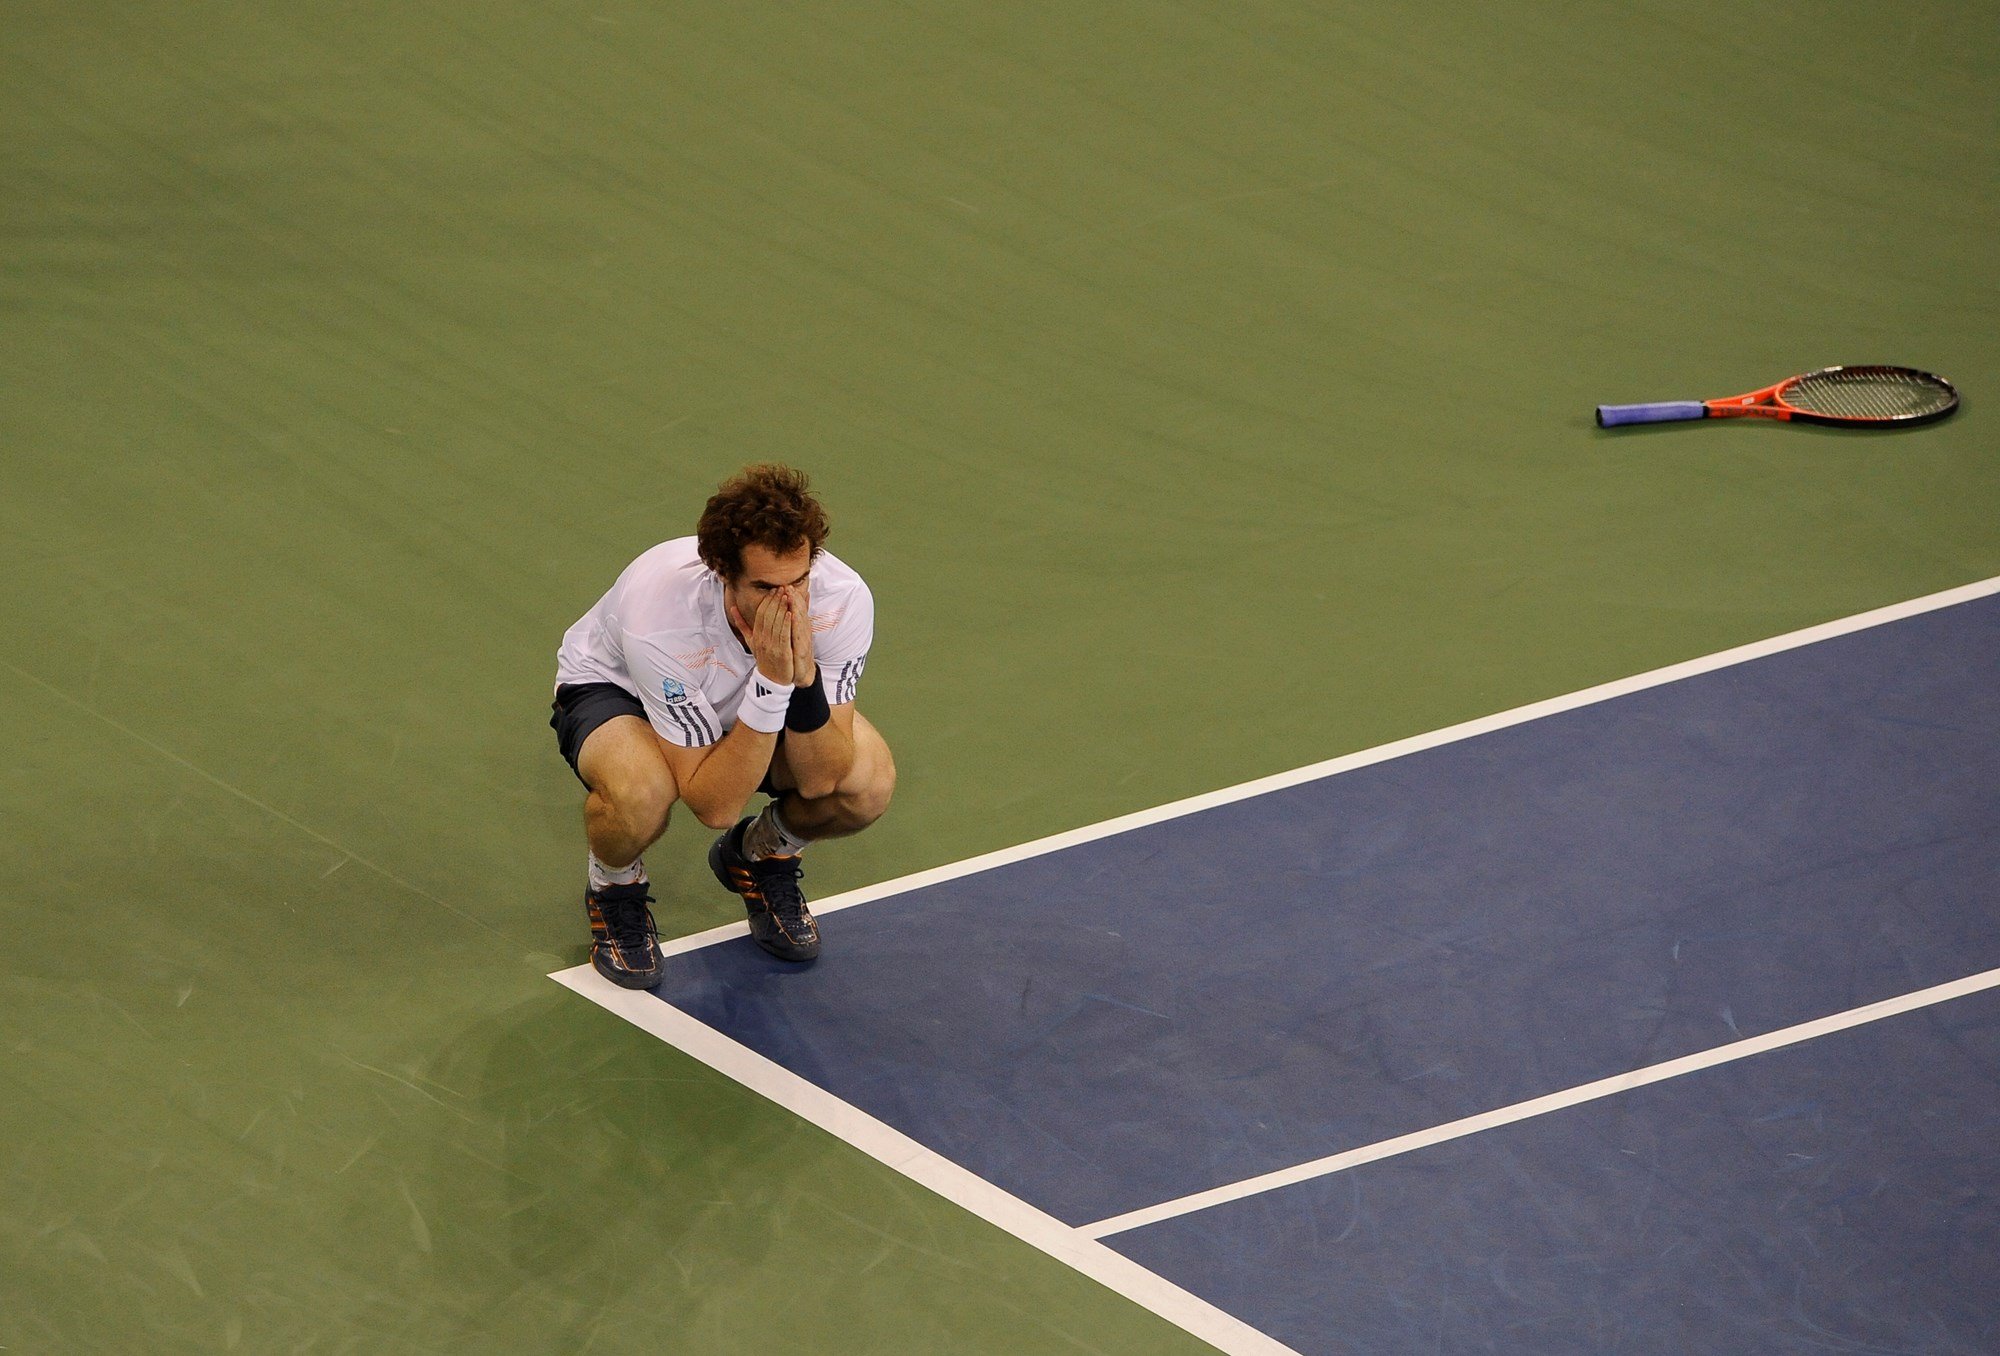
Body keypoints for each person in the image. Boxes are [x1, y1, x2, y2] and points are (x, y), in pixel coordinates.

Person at [548, 464, 895, 987]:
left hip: (753, 689)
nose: (789, 602)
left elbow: (821, 778)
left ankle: (760, 855)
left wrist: (800, 685)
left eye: (799, 581)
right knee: (642, 794)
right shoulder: (661, 616)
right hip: (624, 691)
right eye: (764, 586)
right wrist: (775, 683)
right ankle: (615, 884)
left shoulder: (842, 599)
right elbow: (712, 804)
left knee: (865, 786)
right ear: (721, 571)